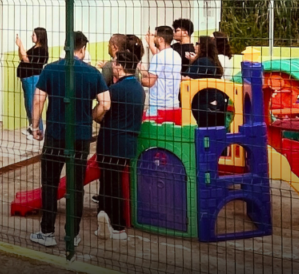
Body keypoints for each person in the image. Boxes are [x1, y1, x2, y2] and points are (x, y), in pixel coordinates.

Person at [29, 32, 110, 248]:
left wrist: (35, 126)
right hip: (80, 137)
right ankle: (72, 236)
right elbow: (106, 103)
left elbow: (38, 100)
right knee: (75, 187)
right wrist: (89, 117)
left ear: (64, 47)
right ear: (82, 50)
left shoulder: (51, 69)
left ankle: (46, 232)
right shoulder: (92, 73)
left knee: (49, 184)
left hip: (55, 135)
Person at [94, 50, 146, 241]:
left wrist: (95, 116)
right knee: (113, 183)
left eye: (115, 63)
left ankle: (117, 226)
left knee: (110, 184)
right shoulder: (139, 89)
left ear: (121, 66)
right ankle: (107, 221)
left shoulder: (115, 90)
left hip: (110, 142)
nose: (113, 66)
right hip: (128, 143)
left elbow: (102, 110)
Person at [16, 27, 49, 136]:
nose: (32, 36)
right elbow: (22, 57)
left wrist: (21, 45)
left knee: (33, 104)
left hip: (32, 78)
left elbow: (27, 60)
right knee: (28, 104)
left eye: (33, 34)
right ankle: (32, 127)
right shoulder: (35, 47)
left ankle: (38, 130)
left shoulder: (41, 50)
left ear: (39, 36)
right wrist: (19, 47)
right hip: (27, 78)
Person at [144, 26, 183, 116]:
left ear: (160, 39)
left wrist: (135, 78)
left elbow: (150, 82)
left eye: (155, 36)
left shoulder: (158, 57)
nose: (153, 38)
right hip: (173, 104)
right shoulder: (176, 55)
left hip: (158, 106)